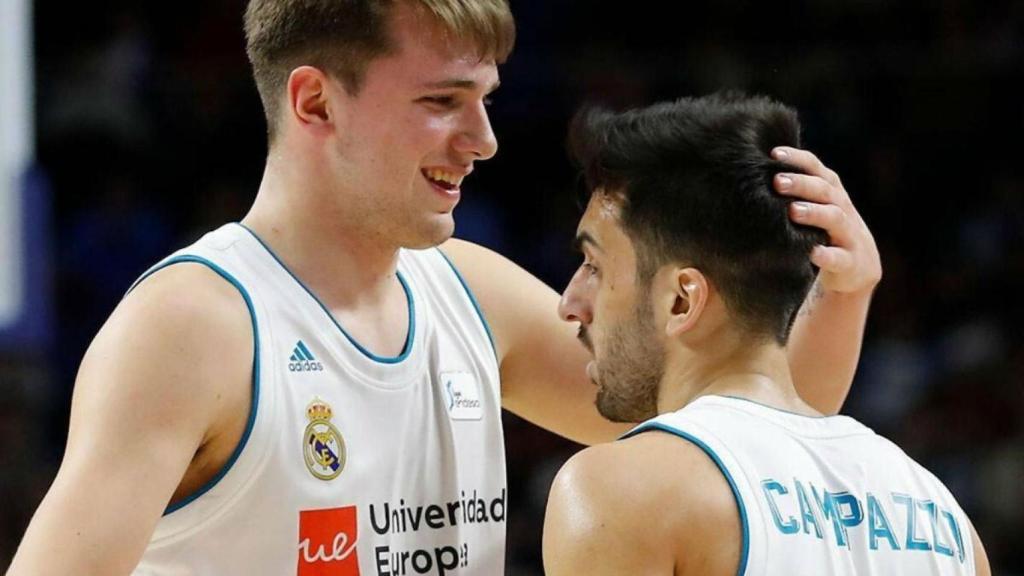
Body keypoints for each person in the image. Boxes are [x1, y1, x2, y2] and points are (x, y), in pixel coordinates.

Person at [9, 2, 881, 575]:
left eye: (487, 99)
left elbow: (752, 427)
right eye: (443, 101)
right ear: (315, 104)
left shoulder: (471, 292)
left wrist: (841, 290)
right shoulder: (193, 324)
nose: (485, 138)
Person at [542, 93, 990, 576]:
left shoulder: (618, 492)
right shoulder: (945, 519)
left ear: (681, 300)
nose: (570, 303)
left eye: (593, 264)